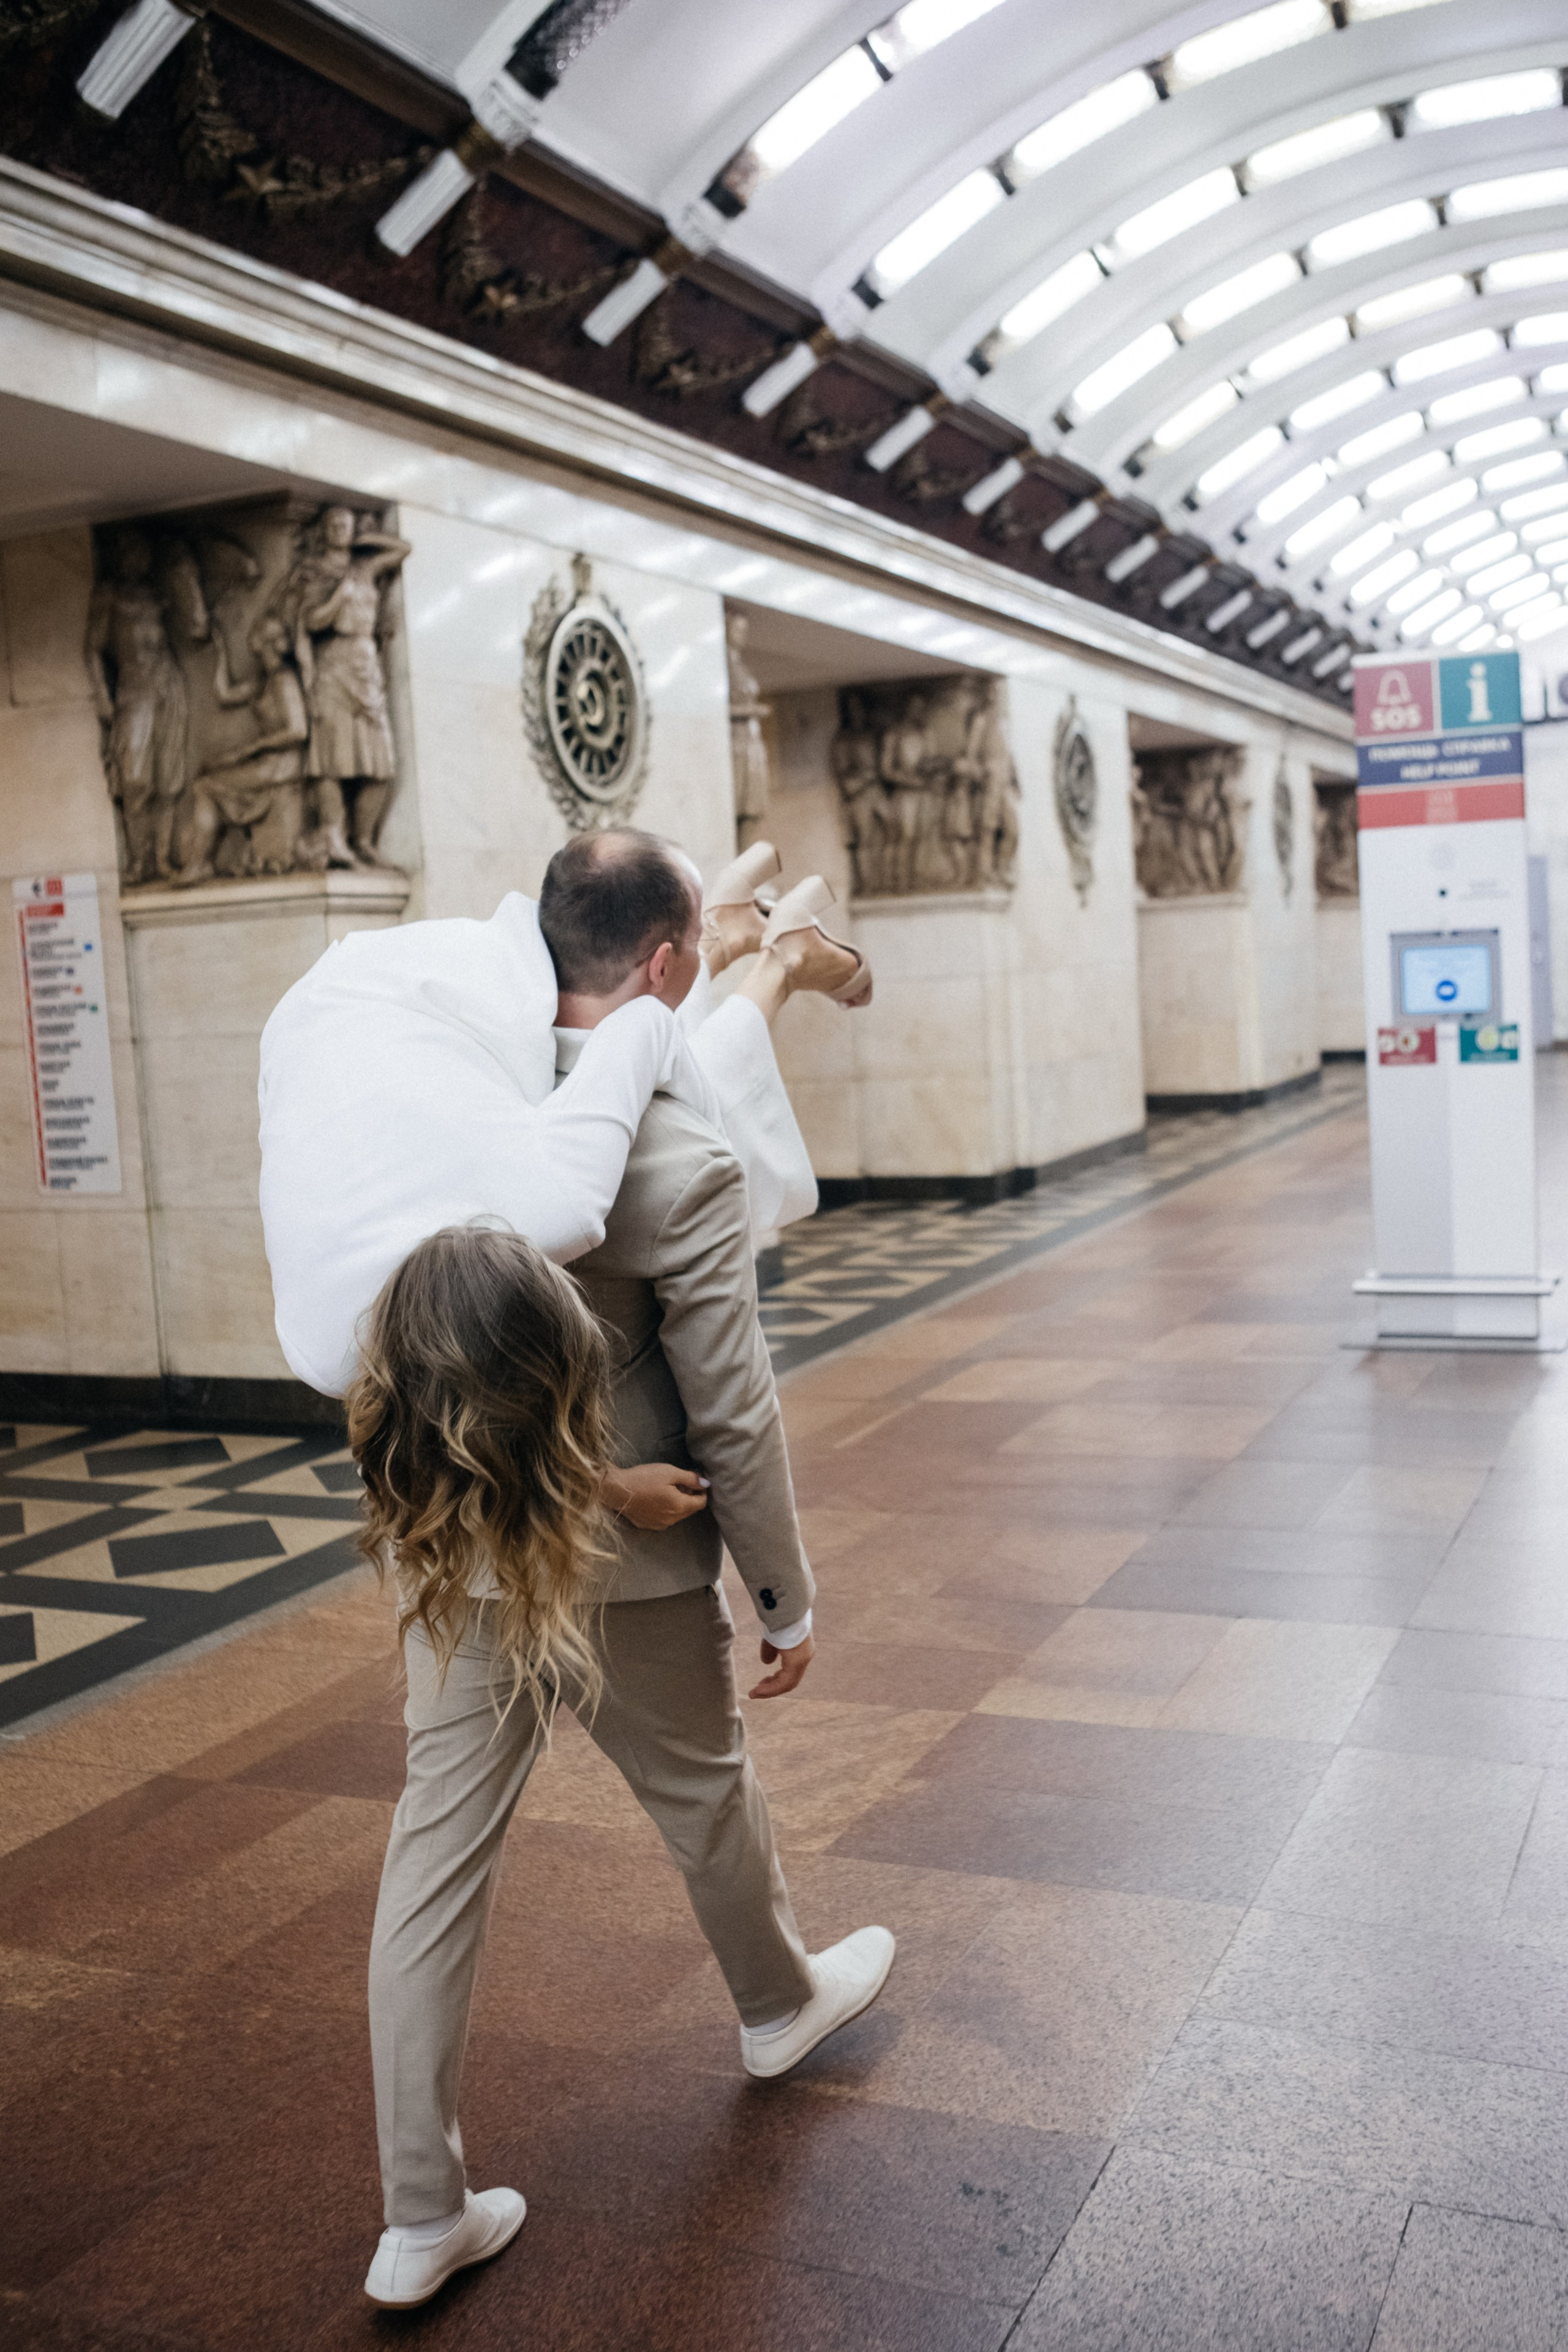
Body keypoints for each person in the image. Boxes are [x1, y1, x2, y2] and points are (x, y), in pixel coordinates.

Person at [359, 1002, 894, 2307]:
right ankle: (778, 2006)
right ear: (661, 969)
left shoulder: (411, 1130)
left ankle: (419, 2218)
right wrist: (780, 1595)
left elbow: (394, 1386)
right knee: (702, 1791)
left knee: (431, 1871)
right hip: (628, 1564)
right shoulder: (675, 1164)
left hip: (458, 1558)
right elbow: (732, 1404)